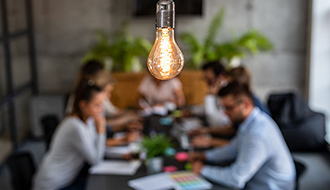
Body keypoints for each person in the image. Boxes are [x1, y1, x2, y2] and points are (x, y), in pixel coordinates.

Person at [189, 82, 296, 190]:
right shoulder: (252, 121)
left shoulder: (257, 135)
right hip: (257, 182)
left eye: (229, 108)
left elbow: (236, 179)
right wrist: (205, 156)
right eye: (223, 108)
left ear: (246, 104)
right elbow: (233, 148)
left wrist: (202, 169)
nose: (225, 113)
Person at [33, 79, 107, 190]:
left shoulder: (88, 121)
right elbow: (95, 160)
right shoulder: (75, 126)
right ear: (83, 105)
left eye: (101, 105)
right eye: (96, 105)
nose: (100, 110)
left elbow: (94, 147)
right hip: (53, 185)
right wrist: (101, 130)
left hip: (68, 179)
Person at [201, 61, 230, 127]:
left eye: (209, 79)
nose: (207, 82)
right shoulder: (218, 91)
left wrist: (210, 96)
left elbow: (214, 120)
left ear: (220, 77)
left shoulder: (227, 93)